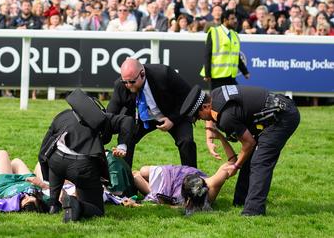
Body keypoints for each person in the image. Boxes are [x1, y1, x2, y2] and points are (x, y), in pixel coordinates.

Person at [181, 84, 300, 216]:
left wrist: (236, 166)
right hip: (273, 112)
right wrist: (209, 136)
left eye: (198, 117)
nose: (200, 119)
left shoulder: (226, 118)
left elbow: (249, 143)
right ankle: (241, 200)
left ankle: (253, 211)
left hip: (283, 117)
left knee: (260, 161)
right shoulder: (214, 96)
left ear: (204, 107)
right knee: (251, 158)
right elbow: (210, 116)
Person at [38, 89, 133, 222]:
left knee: (56, 162)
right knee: (98, 210)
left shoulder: (63, 115)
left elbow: (45, 147)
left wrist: (45, 171)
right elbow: (127, 121)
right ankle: (77, 204)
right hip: (82, 168)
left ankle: (53, 205)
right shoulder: (103, 119)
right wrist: (122, 145)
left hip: (56, 161)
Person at [106, 58, 196, 168]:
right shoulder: (120, 85)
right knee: (126, 140)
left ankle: (193, 178)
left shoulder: (163, 73)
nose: (128, 85)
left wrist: (173, 119)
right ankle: (125, 181)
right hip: (142, 118)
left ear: (142, 74)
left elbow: (188, 96)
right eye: (125, 82)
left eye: (132, 81)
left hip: (171, 113)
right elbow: (111, 115)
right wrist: (120, 144)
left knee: (186, 141)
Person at [133, 126, 237, 214]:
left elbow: (164, 207)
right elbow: (233, 163)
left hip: (168, 190)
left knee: (137, 176)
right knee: (143, 171)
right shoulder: (213, 184)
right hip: (175, 175)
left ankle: (148, 187)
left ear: (186, 198)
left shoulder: (188, 206)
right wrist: (221, 138)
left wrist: (136, 206)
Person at [0, 150, 49, 214]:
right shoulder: (44, 200)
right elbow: (57, 193)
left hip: (5, 185)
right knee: (19, 161)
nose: (28, 196)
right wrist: (43, 185)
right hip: (30, 182)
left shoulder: (11, 204)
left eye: (26, 200)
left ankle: (12, 171)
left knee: (1, 153)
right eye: (32, 198)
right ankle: (15, 170)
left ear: (21, 206)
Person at [201, 9, 251, 90]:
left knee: (235, 99)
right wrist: (207, 74)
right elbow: (208, 54)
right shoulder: (214, 32)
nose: (235, 21)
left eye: (235, 18)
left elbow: (236, 56)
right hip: (217, 77)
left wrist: (245, 72)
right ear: (225, 20)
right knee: (217, 101)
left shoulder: (235, 35)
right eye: (232, 19)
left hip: (231, 76)